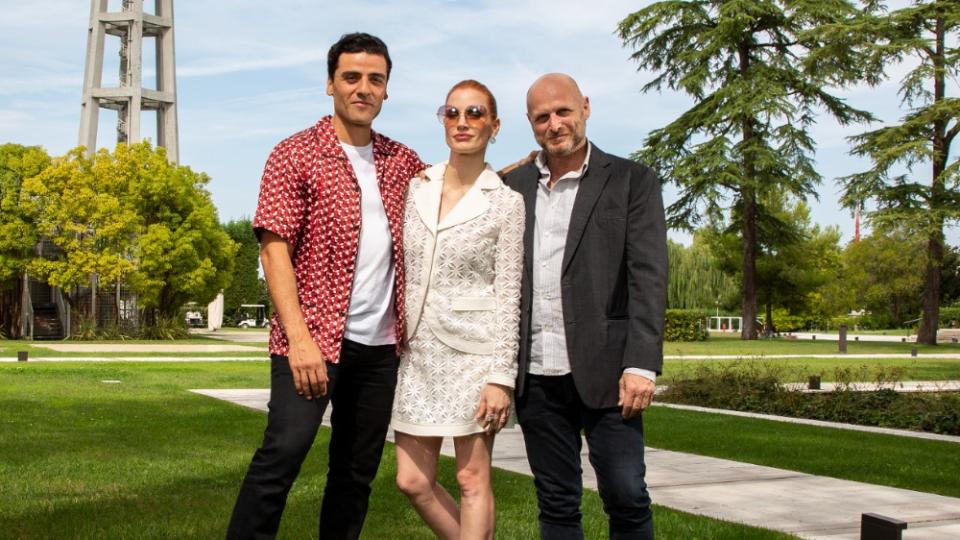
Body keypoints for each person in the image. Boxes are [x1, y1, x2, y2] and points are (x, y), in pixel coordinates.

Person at [226, 32, 425, 540]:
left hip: (381, 350)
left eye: (375, 79)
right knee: (281, 459)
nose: (364, 88)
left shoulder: (404, 162)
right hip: (312, 341)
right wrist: (299, 339)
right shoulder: (295, 154)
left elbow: (457, 193)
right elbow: (274, 251)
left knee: (355, 476)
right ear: (330, 84)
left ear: (386, 90)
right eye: (352, 77)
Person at [503, 73, 667, 539]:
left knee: (627, 496)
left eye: (563, 112)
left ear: (585, 108)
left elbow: (649, 278)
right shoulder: (513, 187)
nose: (554, 124)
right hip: (535, 375)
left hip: (610, 372)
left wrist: (641, 363)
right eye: (542, 117)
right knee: (556, 504)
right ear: (531, 124)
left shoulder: (632, 181)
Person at [391, 80, 525, 540]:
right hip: (417, 355)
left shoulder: (507, 203)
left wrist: (500, 377)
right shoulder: (415, 187)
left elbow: (509, 293)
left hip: (473, 357)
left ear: (494, 125)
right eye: (452, 113)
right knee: (411, 480)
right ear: (442, 120)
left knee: (471, 479)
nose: (462, 122)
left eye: (474, 113)